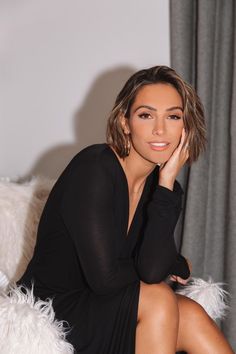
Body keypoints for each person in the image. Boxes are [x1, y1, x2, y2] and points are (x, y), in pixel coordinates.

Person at [18, 66, 234, 353]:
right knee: (158, 299)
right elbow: (106, 279)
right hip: (54, 309)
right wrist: (172, 263)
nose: (160, 129)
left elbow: (152, 267)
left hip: (110, 305)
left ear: (186, 127)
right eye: (146, 115)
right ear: (124, 123)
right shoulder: (94, 168)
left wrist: (167, 182)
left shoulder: (163, 190)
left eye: (173, 116)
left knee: (191, 314)